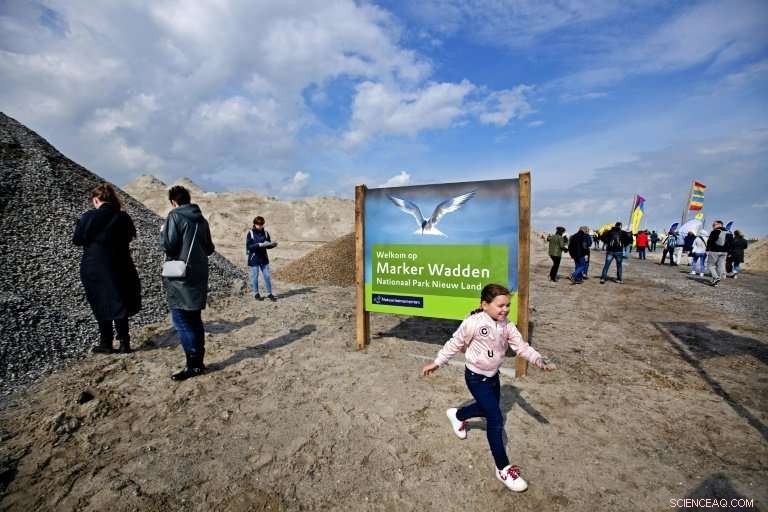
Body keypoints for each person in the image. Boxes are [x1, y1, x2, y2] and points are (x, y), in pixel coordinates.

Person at [421, 284, 555, 493]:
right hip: (475, 378)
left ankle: (458, 415)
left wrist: (537, 359)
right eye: (500, 305)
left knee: (486, 409)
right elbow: (454, 343)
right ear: (485, 305)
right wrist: (437, 362)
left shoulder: (507, 325)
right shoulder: (473, 323)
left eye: (508, 305)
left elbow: (521, 346)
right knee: (495, 418)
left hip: (493, 378)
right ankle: (503, 468)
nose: (505, 309)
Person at [73, 183, 141, 354]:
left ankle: (106, 343)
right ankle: (124, 342)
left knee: (99, 301)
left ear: (96, 200)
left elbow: (77, 240)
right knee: (119, 300)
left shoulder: (89, 216)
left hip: (94, 265)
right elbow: (130, 237)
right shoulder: (123, 217)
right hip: (121, 263)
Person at [161, 185, 216, 380]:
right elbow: (210, 249)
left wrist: (163, 232)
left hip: (180, 277)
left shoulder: (174, 216)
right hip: (199, 275)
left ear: (173, 202)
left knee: (181, 320)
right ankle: (198, 361)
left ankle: (193, 365)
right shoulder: (202, 220)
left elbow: (169, 246)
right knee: (194, 318)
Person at [246, 216, 278, 300]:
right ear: (254, 224)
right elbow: (249, 246)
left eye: (261, 224)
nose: (259, 226)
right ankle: (256, 294)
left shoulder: (266, 233)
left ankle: (269, 294)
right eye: (258, 224)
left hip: (264, 258)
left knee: (267, 276)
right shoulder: (250, 233)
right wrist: (258, 245)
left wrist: (272, 245)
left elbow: (268, 245)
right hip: (254, 258)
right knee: (255, 277)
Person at [705, 220, 733, 287]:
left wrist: (707, 250)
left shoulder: (715, 231)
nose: (713, 226)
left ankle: (716, 277)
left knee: (710, 265)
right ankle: (716, 281)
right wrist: (730, 252)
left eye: (714, 225)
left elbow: (710, 241)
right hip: (724, 252)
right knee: (720, 266)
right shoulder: (729, 232)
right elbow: (731, 244)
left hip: (714, 251)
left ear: (719, 224)